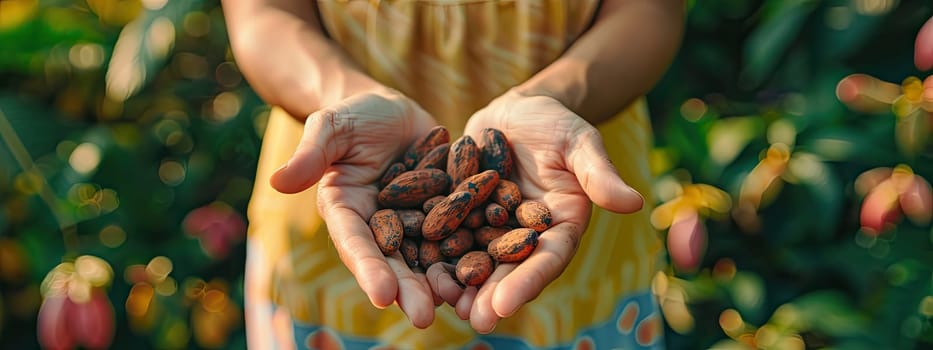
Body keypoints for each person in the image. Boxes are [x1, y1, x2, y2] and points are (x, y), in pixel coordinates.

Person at [220, 0, 684, 348]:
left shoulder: (484, 205)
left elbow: (650, 11)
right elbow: (262, 15)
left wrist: (560, 97)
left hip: (567, 200)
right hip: (340, 212)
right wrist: (340, 95)